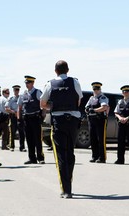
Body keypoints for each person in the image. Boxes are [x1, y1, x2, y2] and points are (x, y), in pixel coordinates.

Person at [40, 60, 83, 199]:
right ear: (68, 70)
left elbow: (42, 104)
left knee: (61, 156)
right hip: (72, 121)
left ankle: (66, 190)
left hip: (58, 122)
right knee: (70, 153)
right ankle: (68, 184)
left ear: (55, 71)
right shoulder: (75, 82)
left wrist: (53, 107)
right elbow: (78, 101)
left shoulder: (50, 84)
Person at [17, 75, 45, 164]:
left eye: (28, 83)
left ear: (33, 83)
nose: (27, 84)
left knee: (37, 139)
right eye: (26, 83)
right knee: (29, 139)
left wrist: (43, 115)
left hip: (35, 118)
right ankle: (32, 158)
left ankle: (40, 158)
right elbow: (19, 107)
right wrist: (19, 118)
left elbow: (43, 104)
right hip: (26, 119)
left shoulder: (37, 92)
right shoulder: (23, 94)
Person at [114, 85, 129, 165]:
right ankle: (120, 160)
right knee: (120, 142)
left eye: (127, 91)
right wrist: (120, 118)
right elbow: (116, 112)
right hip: (121, 124)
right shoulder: (120, 102)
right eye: (124, 92)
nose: (126, 93)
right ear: (122, 93)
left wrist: (128, 118)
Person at [85, 82, 109, 163]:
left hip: (100, 120)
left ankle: (102, 157)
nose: (96, 90)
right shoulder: (91, 98)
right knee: (93, 139)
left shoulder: (102, 97)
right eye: (94, 89)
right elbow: (87, 107)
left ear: (100, 89)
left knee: (100, 139)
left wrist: (94, 110)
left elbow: (104, 107)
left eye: (97, 89)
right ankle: (94, 156)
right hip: (92, 120)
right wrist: (88, 109)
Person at [6, 85, 26, 152]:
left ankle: (22, 147)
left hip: (20, 117)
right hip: (13, 116)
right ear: (13, 91)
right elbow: (7, 108)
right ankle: (12, 146)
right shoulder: (11, 99)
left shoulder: (22, 98)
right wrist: (13, 112)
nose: (16, 91)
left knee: (21, 132)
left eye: (17, 90)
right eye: (15, 90)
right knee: (12, 132)